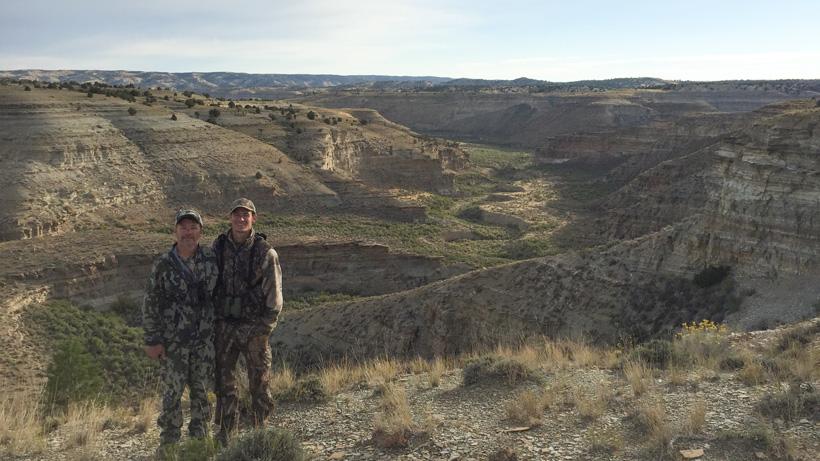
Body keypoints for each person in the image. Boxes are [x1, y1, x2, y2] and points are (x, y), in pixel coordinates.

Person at [142, 209, 219, 451]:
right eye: (183, 227)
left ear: (200, 231)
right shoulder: (163, 264)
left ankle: (199, 442)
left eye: (193, 227)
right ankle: (170, 444)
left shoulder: (210, 259)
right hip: (173, 343)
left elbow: (221, 295)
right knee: (172, 394)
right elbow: (150, 302)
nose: (188, 232)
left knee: (201, 392)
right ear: (175, 231)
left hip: (203, 342)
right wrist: (152, 339)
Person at [213, 198, 283, 444]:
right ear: (230, 218)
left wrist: (264, 329)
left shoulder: (265, 252)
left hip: (254, 327)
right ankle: (226, 431)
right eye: (237, 214)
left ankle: (260, 430)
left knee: (259, 381)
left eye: (246, 215)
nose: (241, 219)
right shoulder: (219, 249)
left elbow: (275, 297)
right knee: (224, 380)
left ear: (254, 218)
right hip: (225, 326)